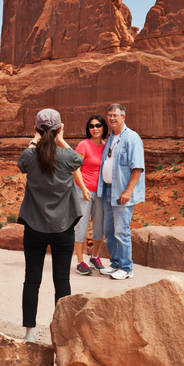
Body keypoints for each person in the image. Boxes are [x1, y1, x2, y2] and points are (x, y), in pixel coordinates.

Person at [17, 108, 83, 342]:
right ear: (59, 129)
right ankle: (63, 332)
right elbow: (79, 160)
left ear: (36, 129)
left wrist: (35, 140)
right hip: (63, 228)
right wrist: (61, 139)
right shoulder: (68, 157)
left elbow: (22, 162)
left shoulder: (29, 156)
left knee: (32, 279)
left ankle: (30, 332)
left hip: (34, 227)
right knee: (62, 280)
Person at [97, 103, 145, 280]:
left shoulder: (131, 138)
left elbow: (137, 167)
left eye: (115, 115)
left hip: (122, 193)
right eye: (109, 115)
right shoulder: (110, 139)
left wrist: (128, 191)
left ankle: (126, 268)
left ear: (123, 117)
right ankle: (116, 263)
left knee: (121, 231)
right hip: (108, 190)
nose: (112, 118)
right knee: (109, 231)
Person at [72, 115, 109, 275]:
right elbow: (75, 168)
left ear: (103, 128)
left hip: (101, 192)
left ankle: (94, 257)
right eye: (91, 126)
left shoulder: (106, 146)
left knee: (100, 227)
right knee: (81, 226)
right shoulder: (83, 145)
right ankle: (80, 261)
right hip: (83, 191)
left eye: (98, 125)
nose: (95, 128)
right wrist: (83, 187)